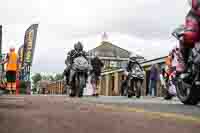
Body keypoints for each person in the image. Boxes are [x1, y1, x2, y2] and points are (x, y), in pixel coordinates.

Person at [179, 0, 200, 74]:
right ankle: (185, 64)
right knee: (185, 38)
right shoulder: (192, 13)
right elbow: (190, 28)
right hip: (194, 35)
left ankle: (185, 65)